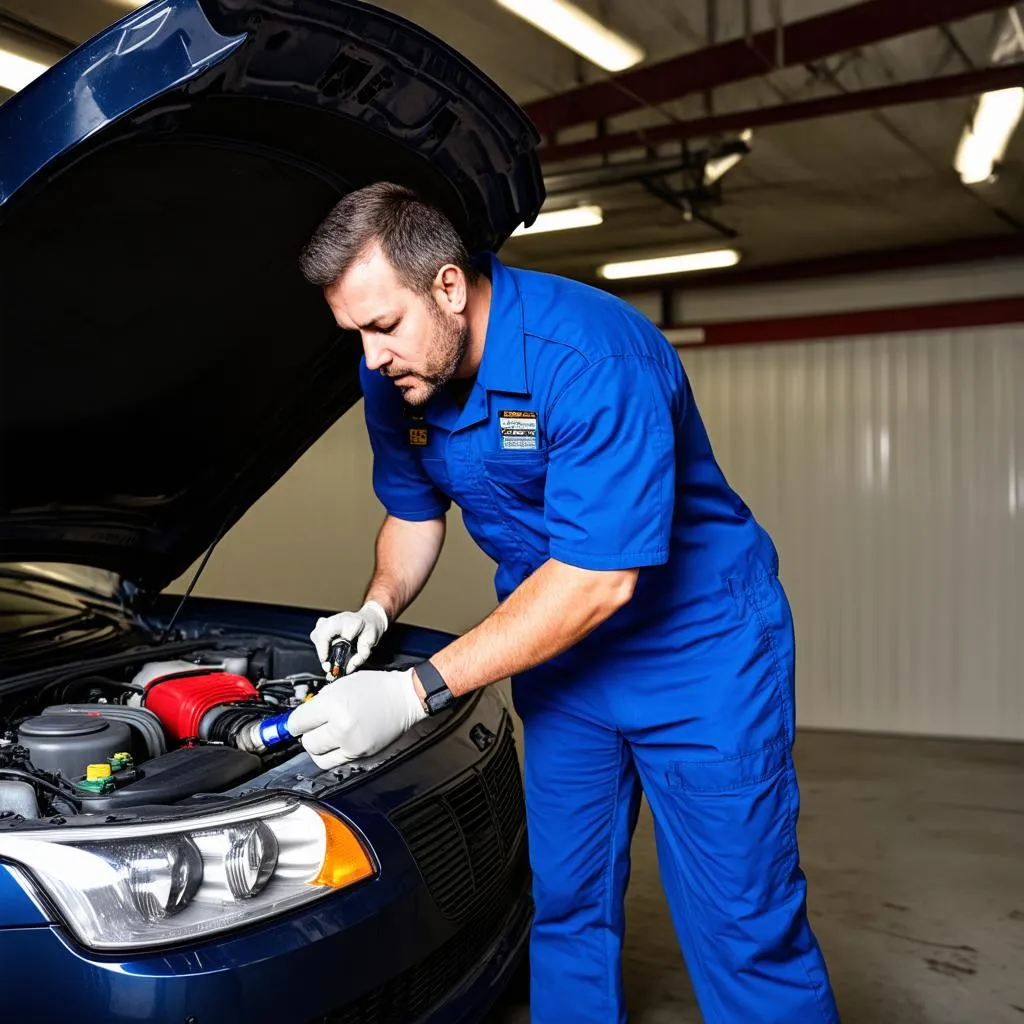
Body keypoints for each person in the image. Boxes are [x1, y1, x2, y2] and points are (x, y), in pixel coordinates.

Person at [286, 182, 840, 1024]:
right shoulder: (396, 379)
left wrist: (412, 690)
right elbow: (412, 510)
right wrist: (377, 607)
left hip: (697, 656)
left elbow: (597, 578)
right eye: (353, 333)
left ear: (446, 285)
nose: (369, 357)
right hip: (562, 663)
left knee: (742, 925)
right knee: (568, 903)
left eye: (382, 326)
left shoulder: (590, 355)